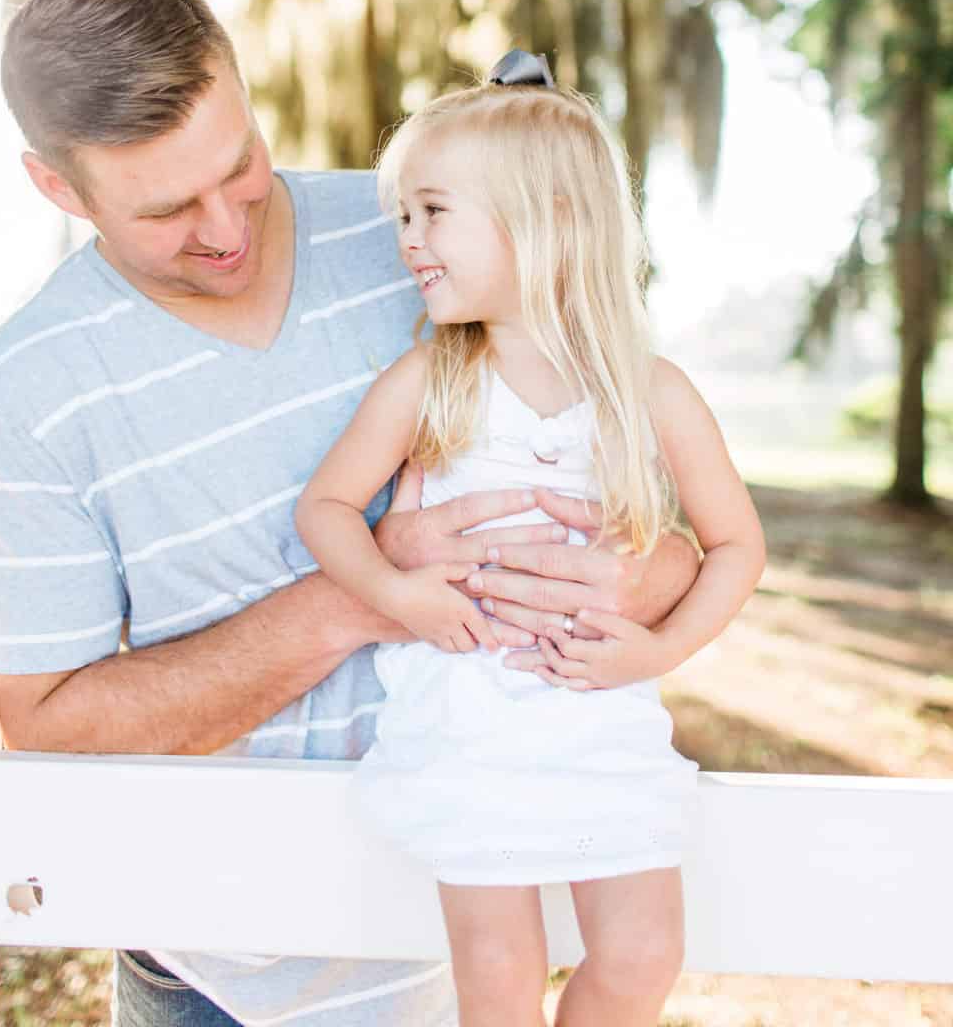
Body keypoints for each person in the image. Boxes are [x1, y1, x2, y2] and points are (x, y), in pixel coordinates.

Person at [0, 0, 701, 1027]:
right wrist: (363, 591)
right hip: (225, 978)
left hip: (480, 954)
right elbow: (52, 722)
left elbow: (648, 486)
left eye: (241, 163)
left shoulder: (429, 233)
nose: (224, 226)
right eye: (167, 207)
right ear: (57, 188)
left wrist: (636, 573)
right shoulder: (23, 395)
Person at [295, 60, 766, 1027]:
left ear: (544, 215)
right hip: (469, 729)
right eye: (404, 218)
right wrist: (401, 595)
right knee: (499, 975)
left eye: (433, 212)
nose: (409, 240)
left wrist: (660, 649)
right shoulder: (431, 380)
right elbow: (327, 510)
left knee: (642, 954)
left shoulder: (651, 392)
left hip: (600, 722)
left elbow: (735, 548)